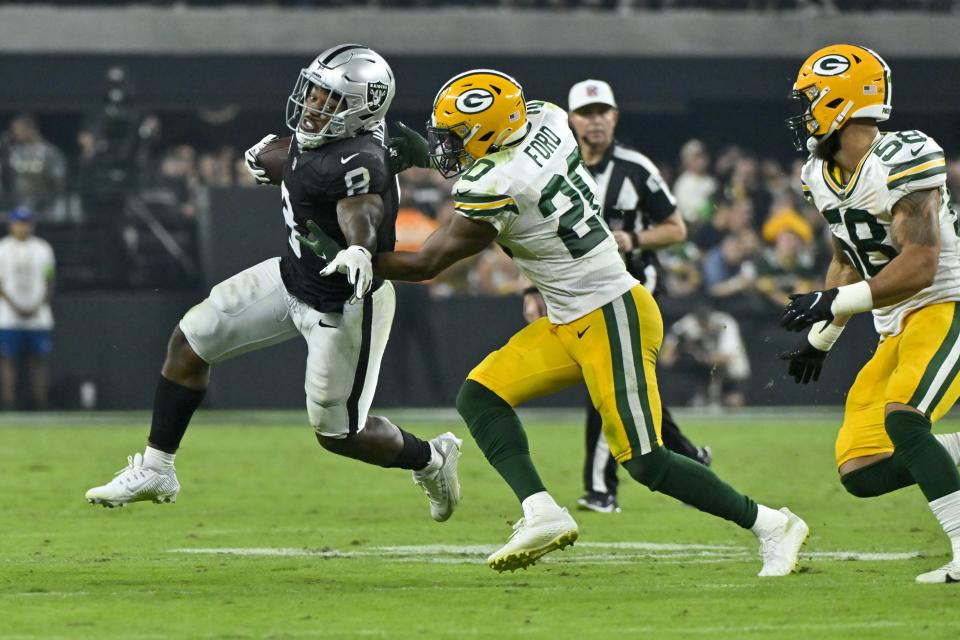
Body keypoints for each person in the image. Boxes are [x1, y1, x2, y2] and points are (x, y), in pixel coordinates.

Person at [302, 69, 809, 575]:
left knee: (647, 461)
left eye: (455, 136)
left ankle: (771, 524)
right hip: (571, 317)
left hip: (613, 314)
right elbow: (500, 149)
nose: (446, 148)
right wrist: (433, 155)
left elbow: (427, 263)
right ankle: (541, 511)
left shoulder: (497, 183)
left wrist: (360, 256)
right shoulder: (548, 120)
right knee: (480, 395)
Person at [85, 45, 462, 525]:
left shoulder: (358, 157)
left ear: (359, 109)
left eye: (328, 99)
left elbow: (359, 208)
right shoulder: (341, 140)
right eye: (314, 92)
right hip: (291, 277)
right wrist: (277, 158)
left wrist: (359, 248)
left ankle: (430, 458)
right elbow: (314, 161)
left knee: (338, 434)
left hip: (344, 302)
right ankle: (158, 468)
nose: (311, 105)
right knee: (190, 340)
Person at [779, 44, 960, 584]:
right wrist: (825, 334)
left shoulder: (903, 156)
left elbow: (921, 265)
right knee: (860, 469)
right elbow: (845, 257)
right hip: (894, 324)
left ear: (842, 100)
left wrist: (835, 303)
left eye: (810, 97)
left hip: (946, 303)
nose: (803, 109)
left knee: (904, 418)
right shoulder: (819, 173)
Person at [556, 79, 710, 514]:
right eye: (587, 113)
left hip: (635, 287)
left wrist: (634, 238)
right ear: (571, 119)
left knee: (604, 383)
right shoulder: (558, 168)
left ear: (615, 117)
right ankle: (688, 456)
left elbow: (676, 228)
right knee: (626, 387)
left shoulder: (636, 167)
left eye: (603, 111)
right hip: (580, 292)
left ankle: (600, 489)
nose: (596, 119)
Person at [0, 206, 55, 410]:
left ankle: (41, 401)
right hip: (8, 315)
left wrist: (39, 305)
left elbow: (50, 279)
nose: (22, 227)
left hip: (38, 315)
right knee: (7, 359)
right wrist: (15, 305)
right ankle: (8, 402)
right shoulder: (2, 248)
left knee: (39, 360)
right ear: (11, 225)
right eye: (18, 223)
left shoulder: (43, 248)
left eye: (26, 223)